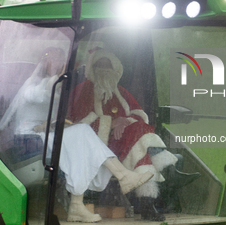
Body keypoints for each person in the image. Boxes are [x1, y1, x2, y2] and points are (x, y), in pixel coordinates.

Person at [0, 47, 153, 223]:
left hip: (45, 135)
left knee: (82, 141)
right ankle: (122, 177)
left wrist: (54, 122)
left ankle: (77, 206)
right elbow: (38, 95)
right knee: (83, 133)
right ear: (44, 61)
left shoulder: (58, 89)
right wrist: (59, 80)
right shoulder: (34, 85)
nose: (58, 63)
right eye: (53, 59)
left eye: (61, 59)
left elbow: (58, 114)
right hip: (27, 139)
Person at [68, 48, 200, 221]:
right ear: (92, 68)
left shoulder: (120, 91)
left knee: (140, 146)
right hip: (98, 146)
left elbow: (139, 115)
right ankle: (167, 174)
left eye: (108, 66)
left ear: (115, 69)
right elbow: (76, 126)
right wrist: (112, 122)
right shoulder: (82, 90)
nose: (104, 70)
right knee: (139, 134)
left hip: (124, 142)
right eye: (99, 65)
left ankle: (148, 205)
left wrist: (125, 121)